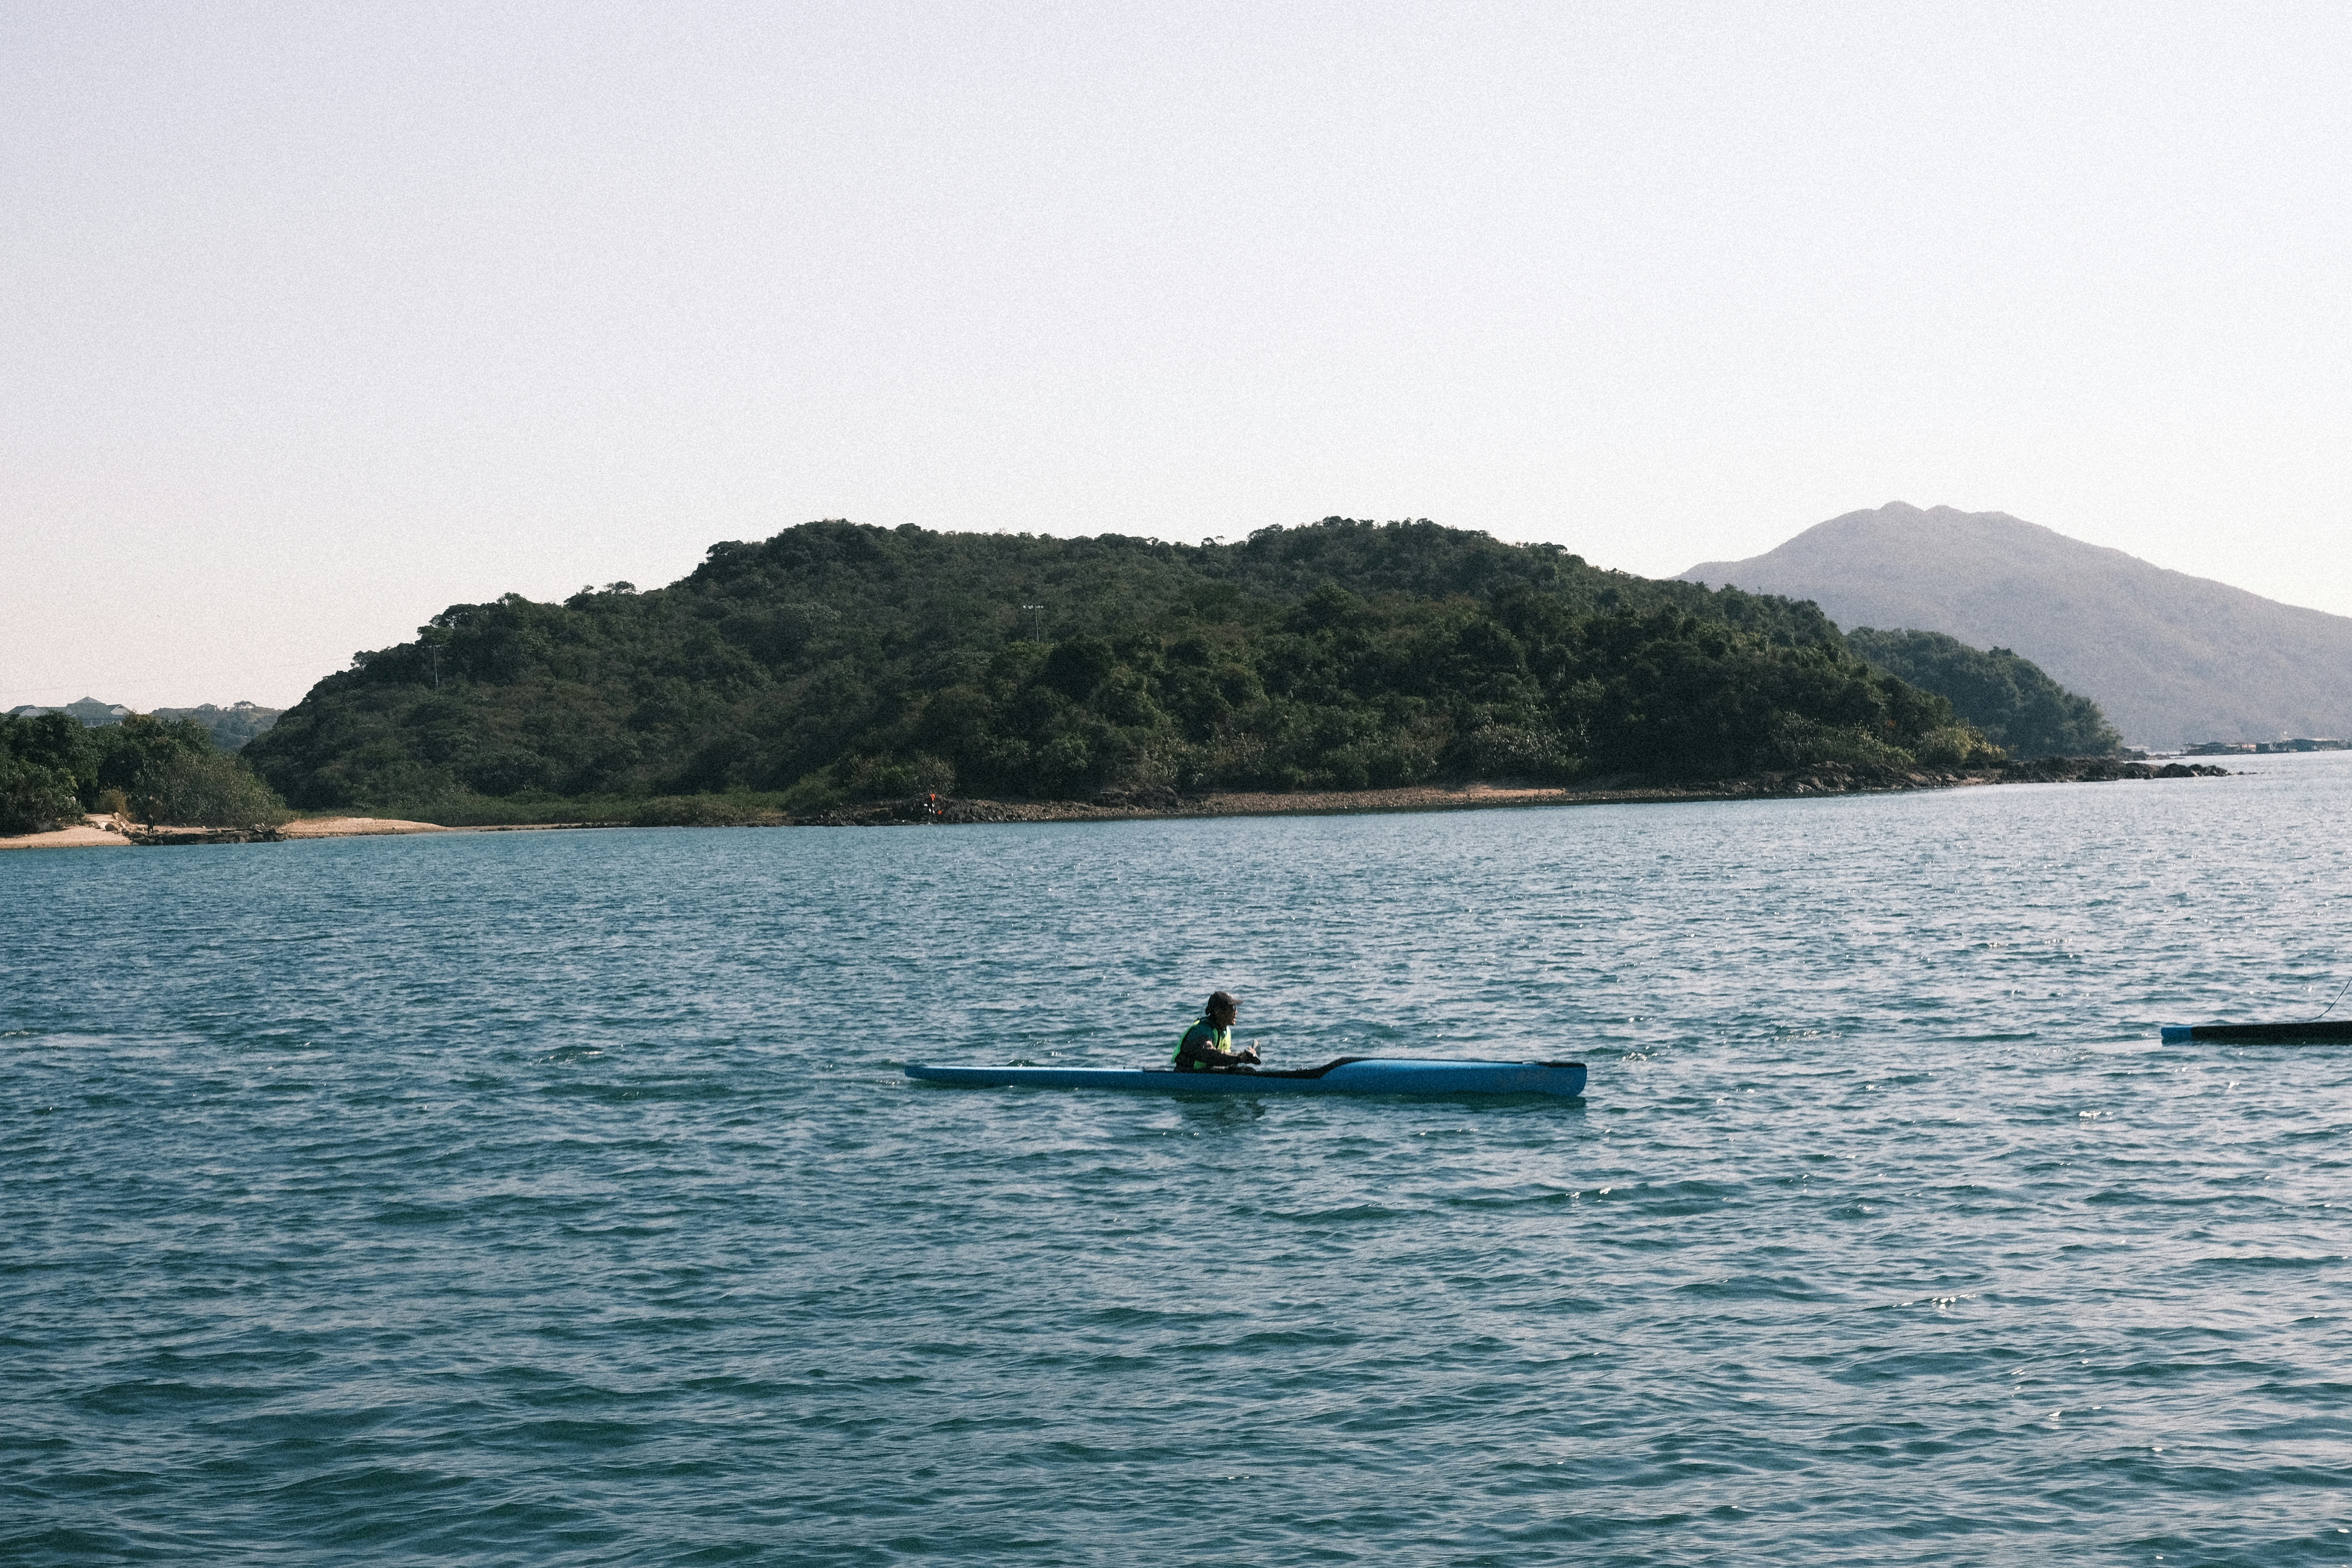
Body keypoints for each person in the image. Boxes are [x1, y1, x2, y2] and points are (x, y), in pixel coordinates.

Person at [1173, 991, 1260, 1072]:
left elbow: (1221, 1060)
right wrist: (1240, 1057)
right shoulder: (1203, 1030)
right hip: (1188, 1075)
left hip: (1207, 1073)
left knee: (1245, 1071)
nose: (1236, 1012)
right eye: (1232, 1008)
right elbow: (1209, 1055)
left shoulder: (1226, 1031)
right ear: (1218, 1011)